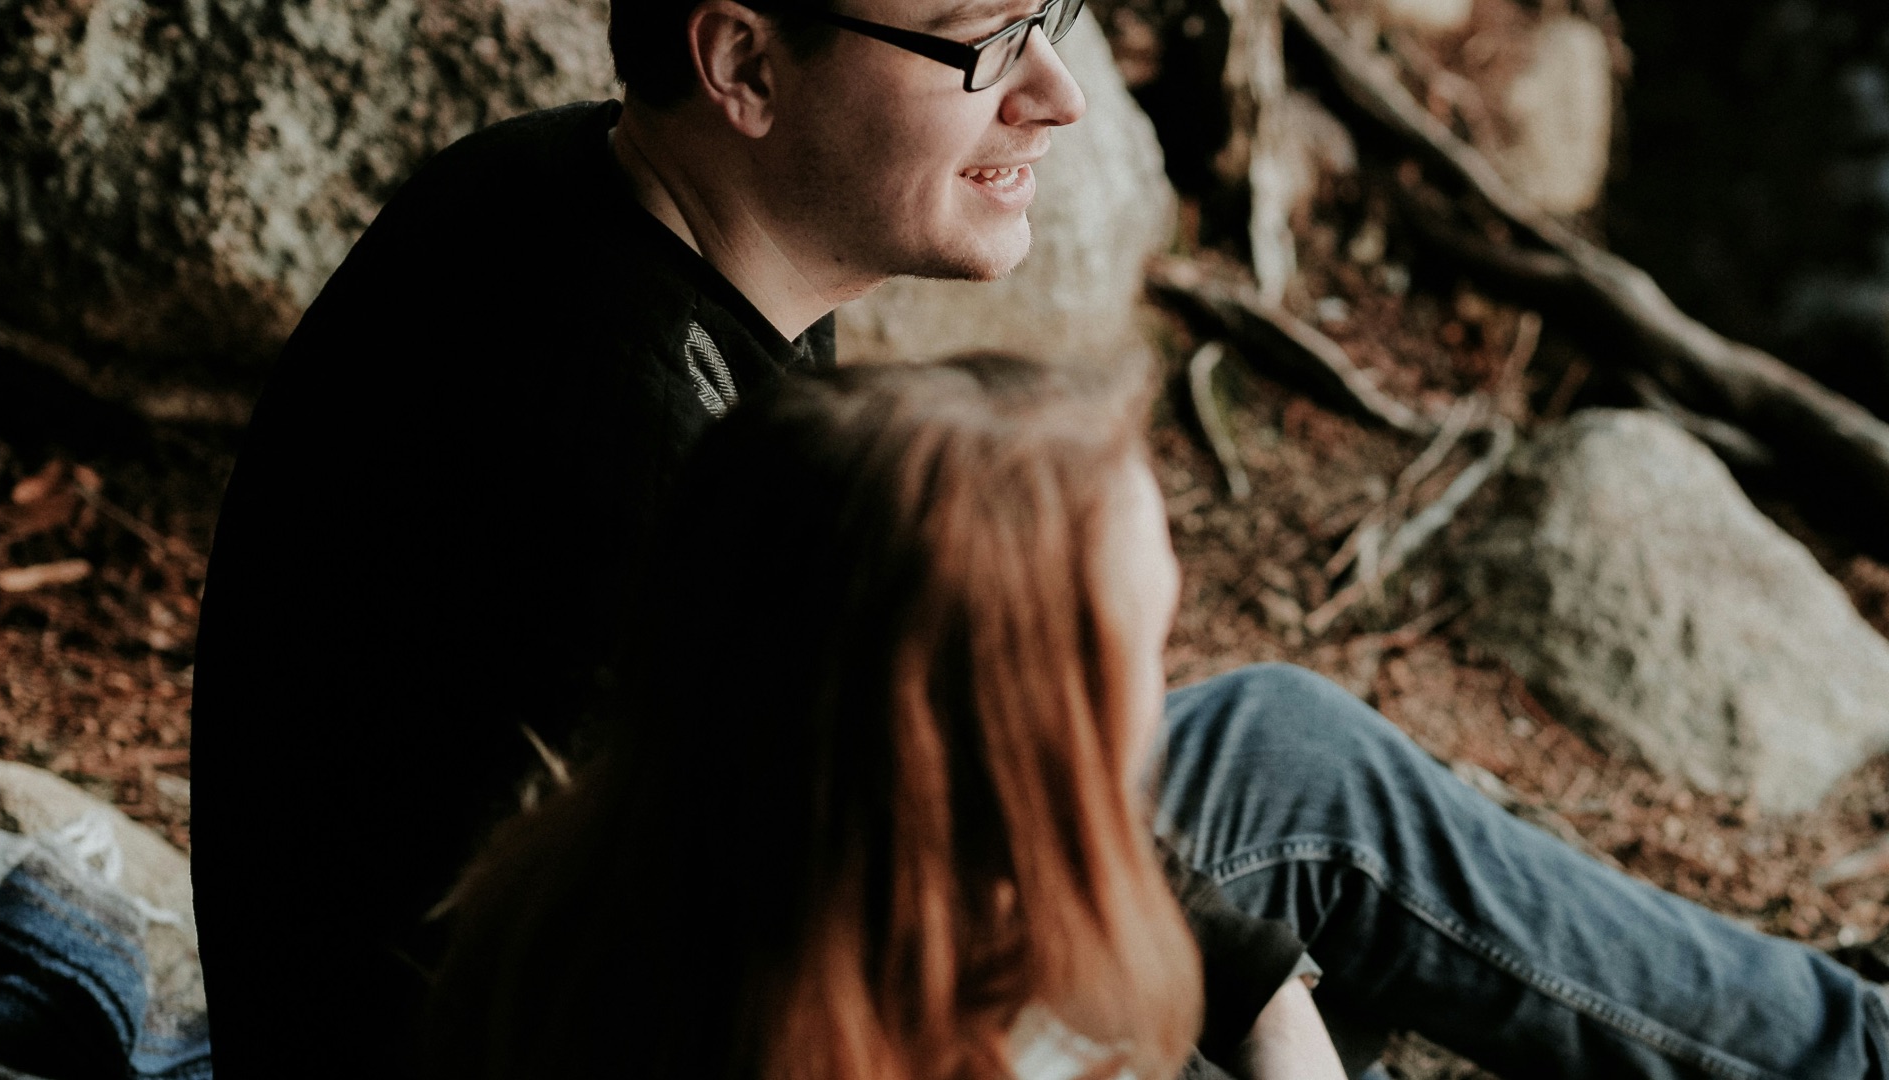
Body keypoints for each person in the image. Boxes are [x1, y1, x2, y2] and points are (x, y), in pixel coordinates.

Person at [188, 0, 1889, 1075]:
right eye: (984, 42)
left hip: (730, 917)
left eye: (1047, 17)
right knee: (1253, 832)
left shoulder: (613, 210)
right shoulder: (614, 436)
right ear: (746, 64)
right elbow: (844, 903)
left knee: (1274, 763)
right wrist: (1246, 1011)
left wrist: (1250, 980)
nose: (1059, 95)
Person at [418, 354, 1342, 1080]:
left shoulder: (627, 874)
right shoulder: (1021, 1037)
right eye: (1149, 646)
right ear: (1001, 743)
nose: (1164, 691)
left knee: (1277, 716)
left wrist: (1270, 999)